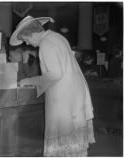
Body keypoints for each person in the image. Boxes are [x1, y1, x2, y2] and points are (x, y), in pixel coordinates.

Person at [9, 15, 95, 156]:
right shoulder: (57, 37)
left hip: (64, 98)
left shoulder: (46, 45)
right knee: (74, 144)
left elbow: (55, 74)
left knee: (63, 142)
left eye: (27, 39)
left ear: (32, 33)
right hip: (74, 94)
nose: (28, 44)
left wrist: (29, 81)